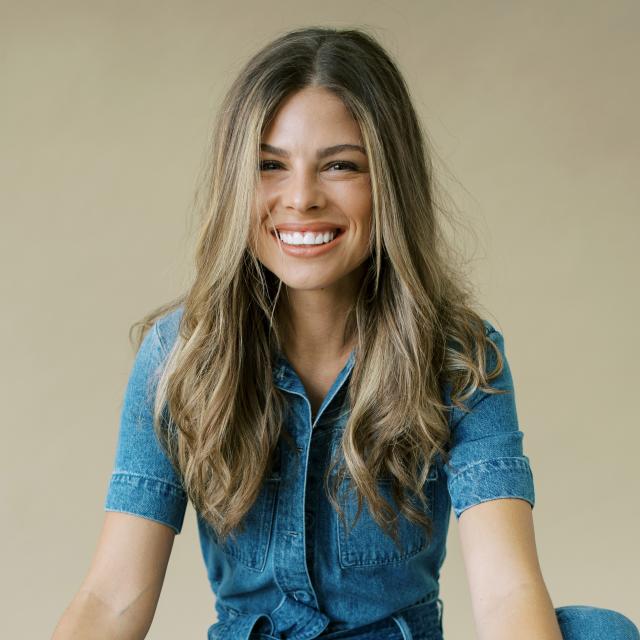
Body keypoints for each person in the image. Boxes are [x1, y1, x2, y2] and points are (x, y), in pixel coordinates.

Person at [52, 26, 639, 640]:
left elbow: (508, 591)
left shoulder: (459, 359)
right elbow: (111, 598)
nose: (301, 198)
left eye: (339, 166)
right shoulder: (180, 356)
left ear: (388, 182)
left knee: (600, 632)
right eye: (270, 166)